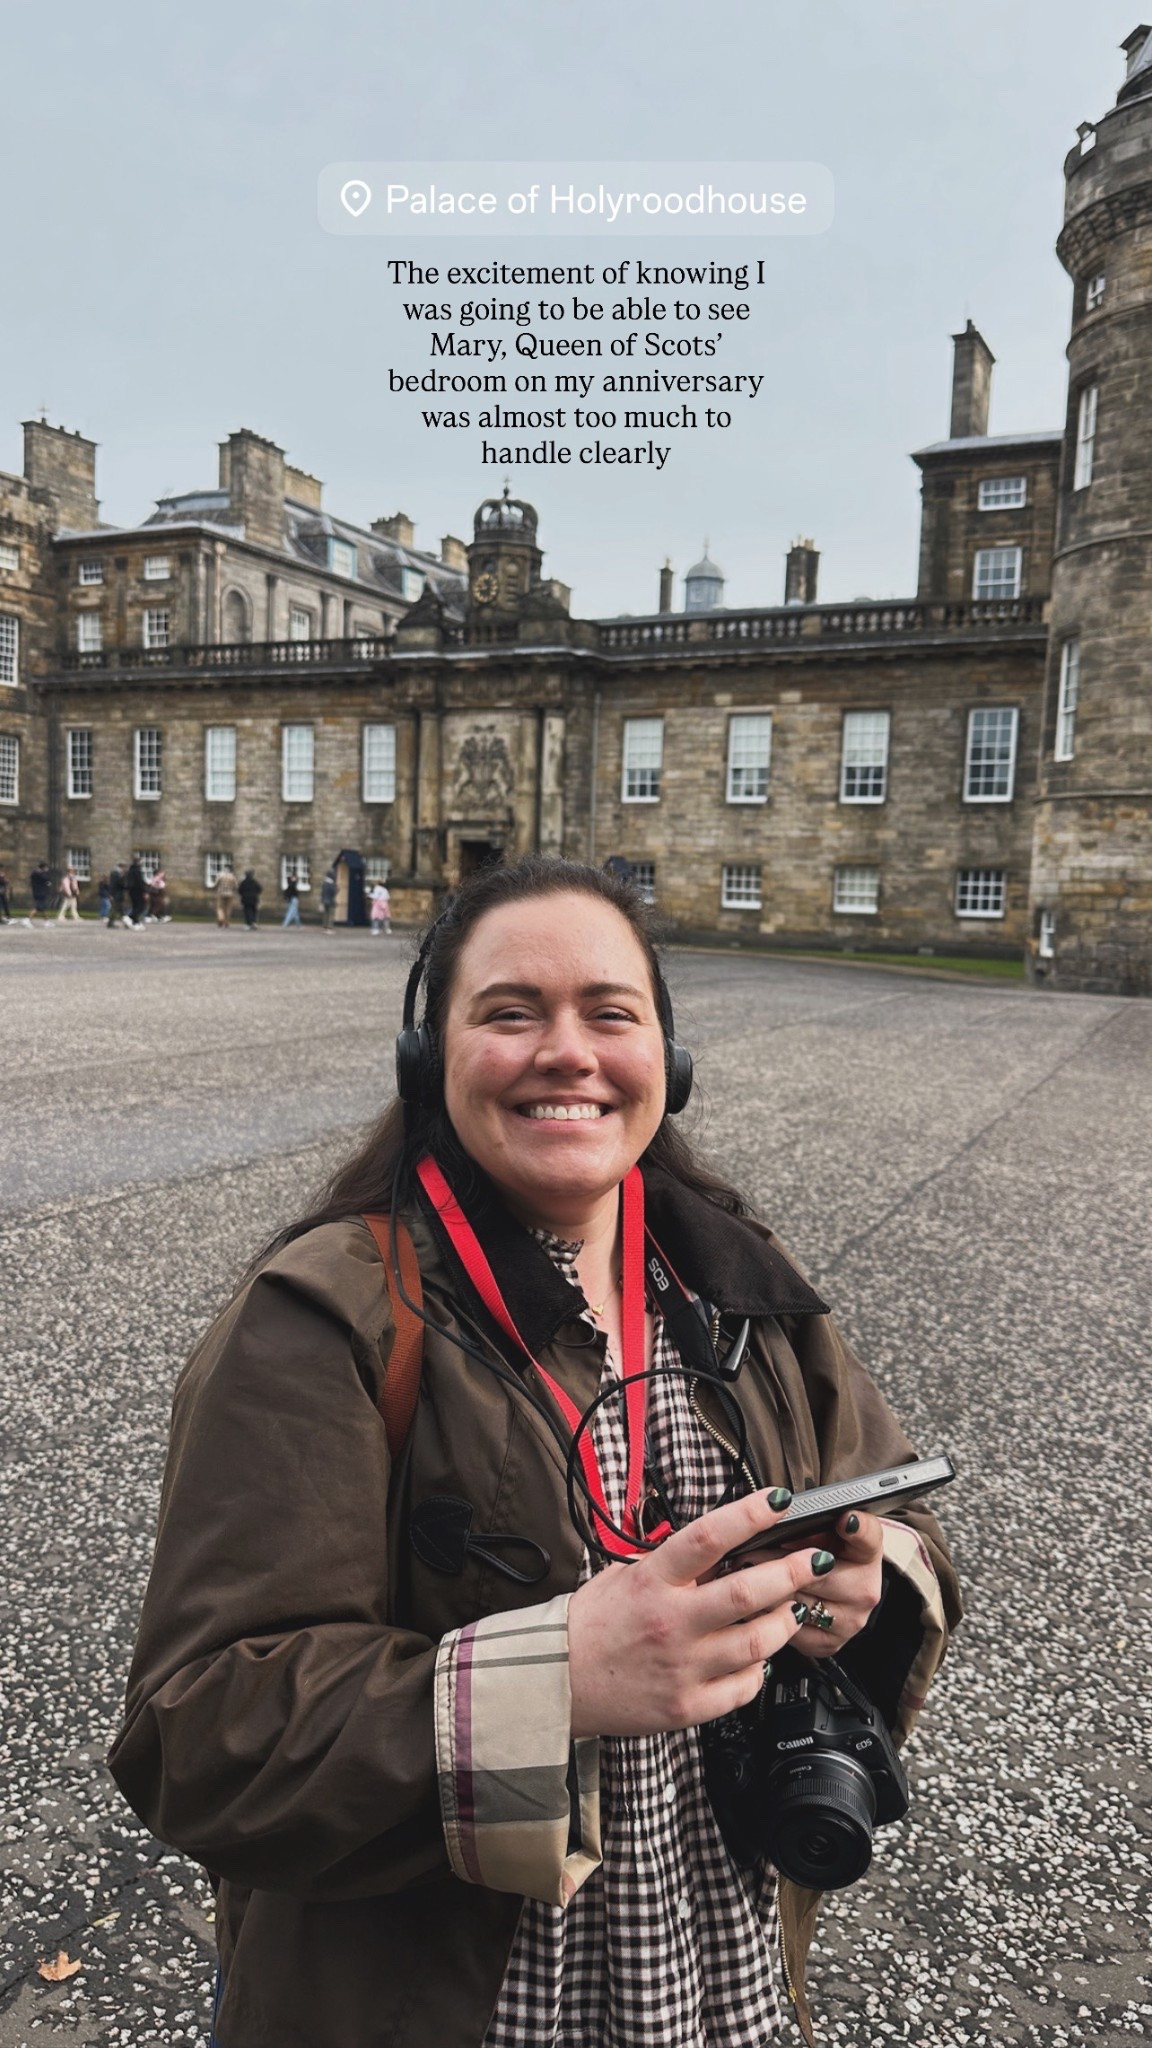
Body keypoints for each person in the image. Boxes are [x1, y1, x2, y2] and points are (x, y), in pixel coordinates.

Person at [110, 857, 960, 2048]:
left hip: (721, 1968)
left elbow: (905, 1518)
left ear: (666, 1054)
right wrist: (557, 1677)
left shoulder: (739, 1283)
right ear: (430, 1059)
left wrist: (858, 1584)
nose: (570, 1050)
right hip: (456, 1996)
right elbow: (199, 1734)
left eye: (612, 1012)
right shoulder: (322, 1318)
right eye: (511, 1012)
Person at [125, 857, 147, 929]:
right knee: (141, 906)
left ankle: (135, 922)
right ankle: (129, 917)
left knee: (135, 906)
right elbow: (140, 882)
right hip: (137, 891)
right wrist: (145, 891)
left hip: (131, 891)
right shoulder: (137, 871)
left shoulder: (131, 870)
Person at [214, 864, 237, 929]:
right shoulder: (232, 876)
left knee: (220, 907)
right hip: (230, 893)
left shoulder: (220, 875)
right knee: (228, 908)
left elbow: (215, 884)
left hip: (221, 893)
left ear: (224, 869)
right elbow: (236, 886)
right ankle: (227, 922)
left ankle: (221, 918)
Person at [320, 868, 338, 932]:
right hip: (330, 900)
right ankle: (329, 928)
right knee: (331, 915)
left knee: (326, 914)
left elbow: (322, 892)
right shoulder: (331, 883)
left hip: (325, 900)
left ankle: (325, 926)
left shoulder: (324, 883)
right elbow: (334, 891)